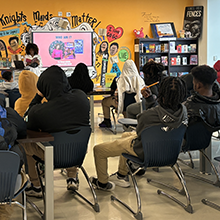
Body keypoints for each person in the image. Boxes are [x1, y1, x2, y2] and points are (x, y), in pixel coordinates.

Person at [90, 76, 187, 191]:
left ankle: (102, 183)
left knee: (99, 150)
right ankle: (121, 175)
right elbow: (164, 115)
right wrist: (150, 99)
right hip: (170, 151)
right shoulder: (184, 112)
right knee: (126, 136)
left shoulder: (147, 116)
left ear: (161, 93)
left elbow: (140, 134)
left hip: (146, 151)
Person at [22, 65, 90, 197]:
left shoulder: (40, 111)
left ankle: (36, 186)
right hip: (78, 153)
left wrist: (38, 97)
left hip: (54, 156)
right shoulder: (82, 98)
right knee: (70, 137)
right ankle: (72, 177)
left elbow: (28, 120)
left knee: (26, 144)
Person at [99, 59, 145, 128]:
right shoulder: (140, 80)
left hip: (121, 105)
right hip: (137, 105)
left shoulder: (118, 79)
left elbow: (112, 91)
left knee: (105, 101)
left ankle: (107, 121)